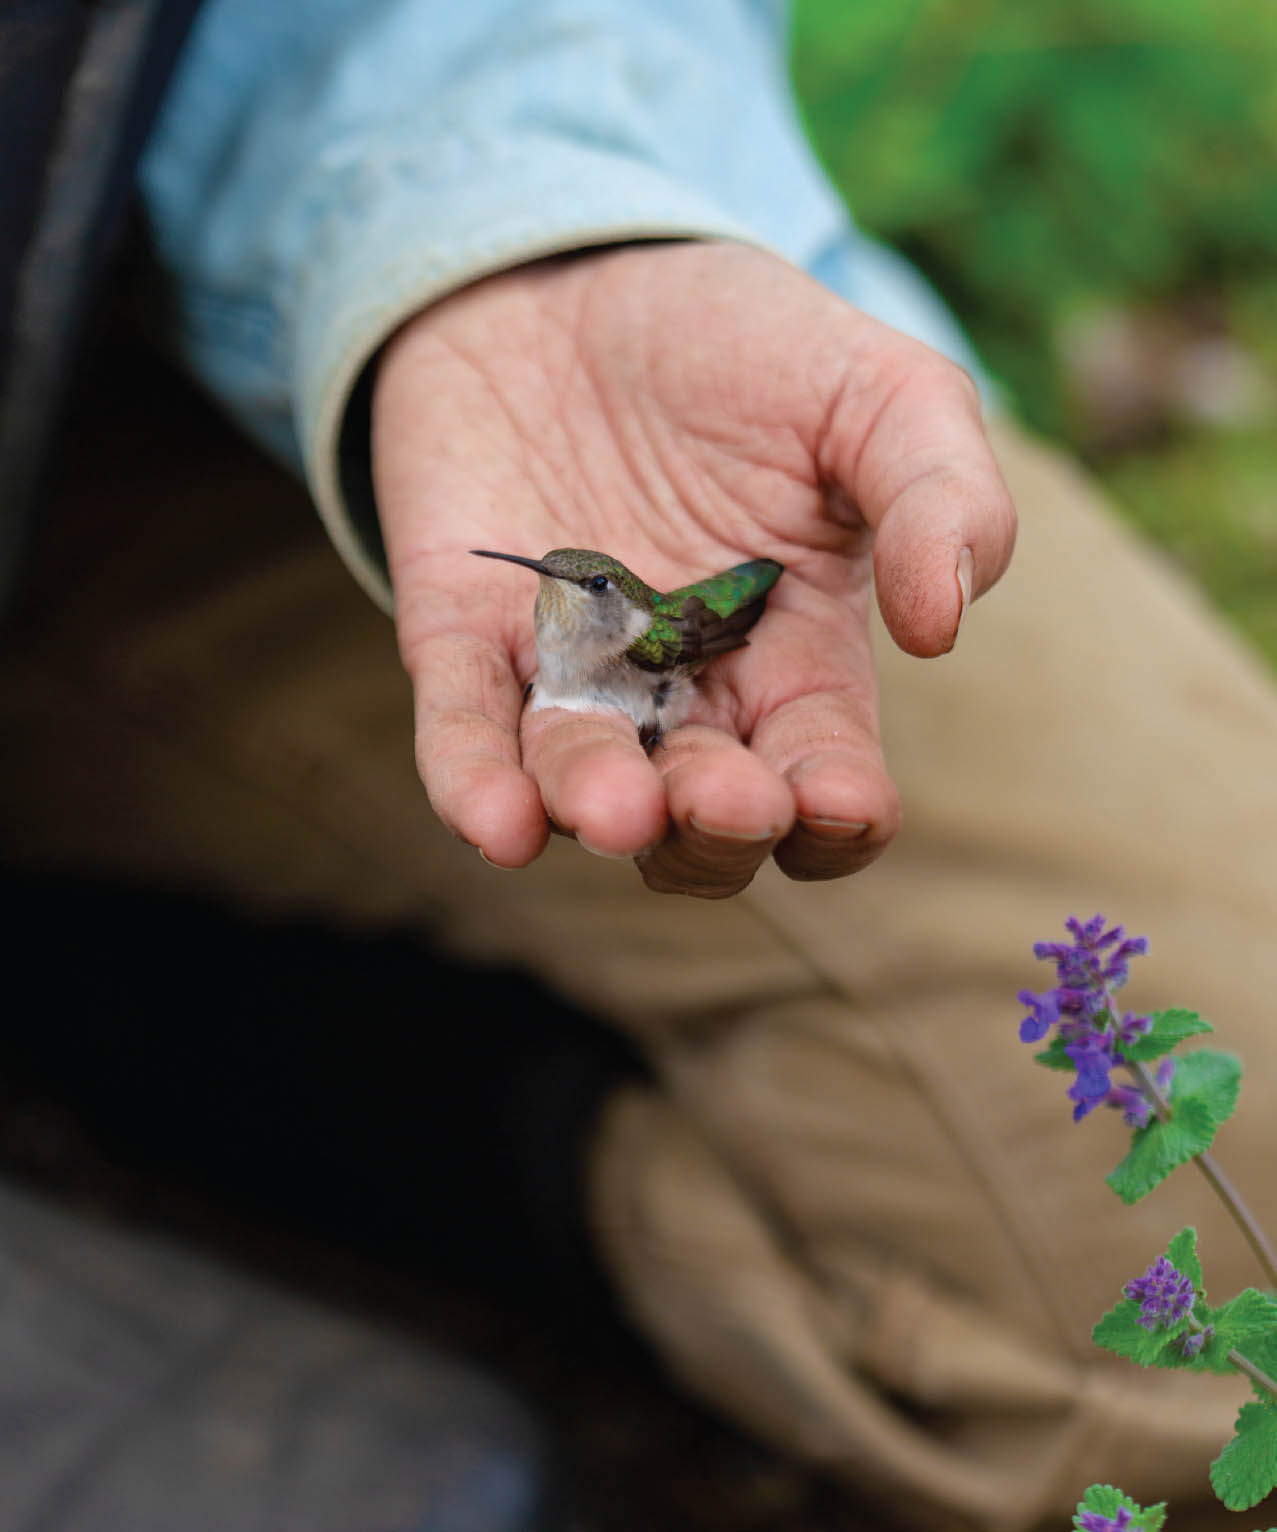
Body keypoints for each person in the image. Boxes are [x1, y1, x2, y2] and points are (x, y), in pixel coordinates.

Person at [3, 0, 1276, 1527]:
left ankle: (214, 1042)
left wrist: (515, 226)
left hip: (229, 299)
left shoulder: (656, 614)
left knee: (1233, 1273)